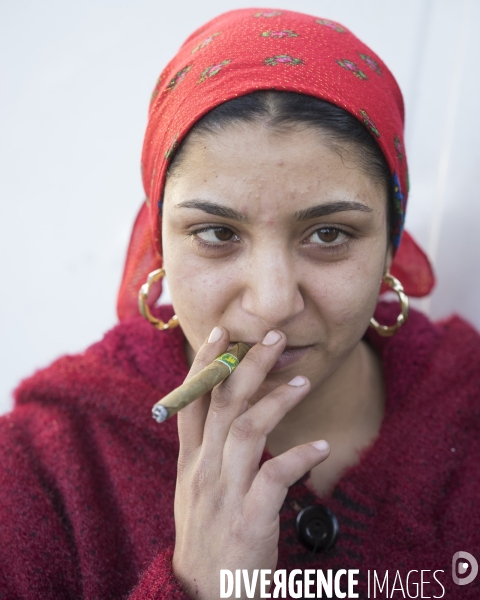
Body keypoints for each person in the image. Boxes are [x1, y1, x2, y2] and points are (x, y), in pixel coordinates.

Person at [0, 7, 479, 600]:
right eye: (217, 234)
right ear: (159, 244)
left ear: (389, 243)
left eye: (329, 234)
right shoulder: (37, 472)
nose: (274, 303)